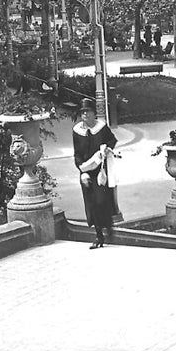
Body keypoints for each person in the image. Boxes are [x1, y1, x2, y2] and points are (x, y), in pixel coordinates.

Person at [72, 99, 118, 248]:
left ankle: (109, 227)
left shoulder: (101, 128)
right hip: (86, 171)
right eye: (83, 112)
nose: (85, 114)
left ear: (94, 114)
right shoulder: (77, 131)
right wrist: (81, 171)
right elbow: (77, 154)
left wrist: (106, 149)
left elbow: (112, 140)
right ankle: (99, 236)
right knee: (91, 204)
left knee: (101, 201)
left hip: (100, 171)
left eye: (88, 111)